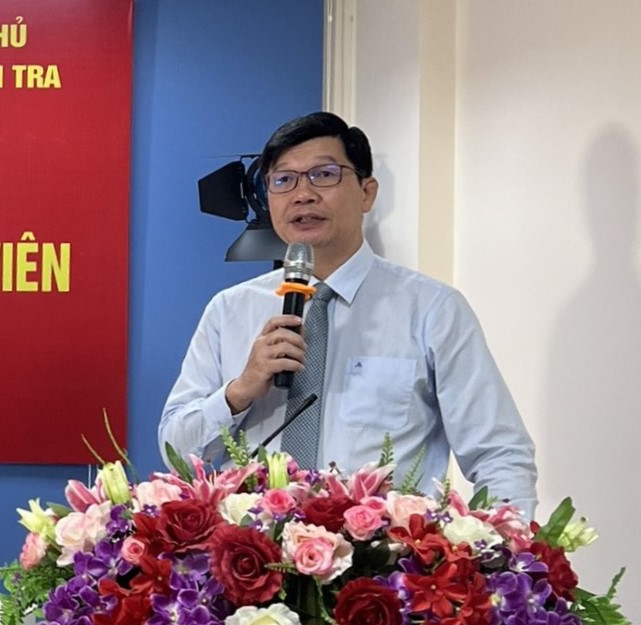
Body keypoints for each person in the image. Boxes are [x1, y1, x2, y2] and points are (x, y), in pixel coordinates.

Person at [159, 112, 537, 516]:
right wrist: (240, 390)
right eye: (284, 180)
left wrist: (502, 547)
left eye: (324, 175)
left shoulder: (432, 308)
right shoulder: (229, 309)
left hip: (382, 552)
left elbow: (500, 456)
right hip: (254, 550)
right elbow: (177, 453)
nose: (303, 194)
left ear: (367, 193)